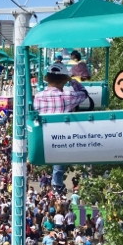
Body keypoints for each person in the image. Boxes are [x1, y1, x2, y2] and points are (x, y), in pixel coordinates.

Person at [33, 62, 88, 193]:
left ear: (46, 78)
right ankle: (58, 182)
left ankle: (55, 182)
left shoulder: (37, 97)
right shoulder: (67, 97)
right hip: (61, 140)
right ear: (64, 79)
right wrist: (73, 81)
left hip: (41, 139)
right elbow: (84, 93)